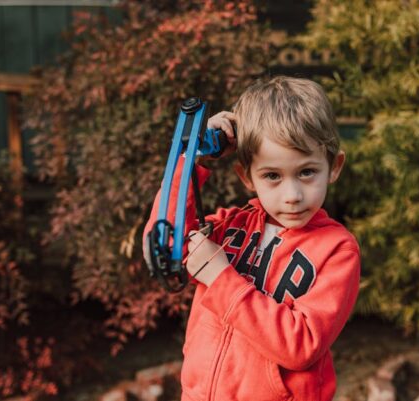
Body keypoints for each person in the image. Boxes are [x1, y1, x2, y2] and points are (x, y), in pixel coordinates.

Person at [142, 76, 361, 401]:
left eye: (306, 172)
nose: (292, 195)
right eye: (272, 175)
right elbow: (164, 245)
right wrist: (194, 159)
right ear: (246, 176)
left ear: (334, 167)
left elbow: (301, 345)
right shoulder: (230, 226)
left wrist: (221, 278)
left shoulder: (337, 250)